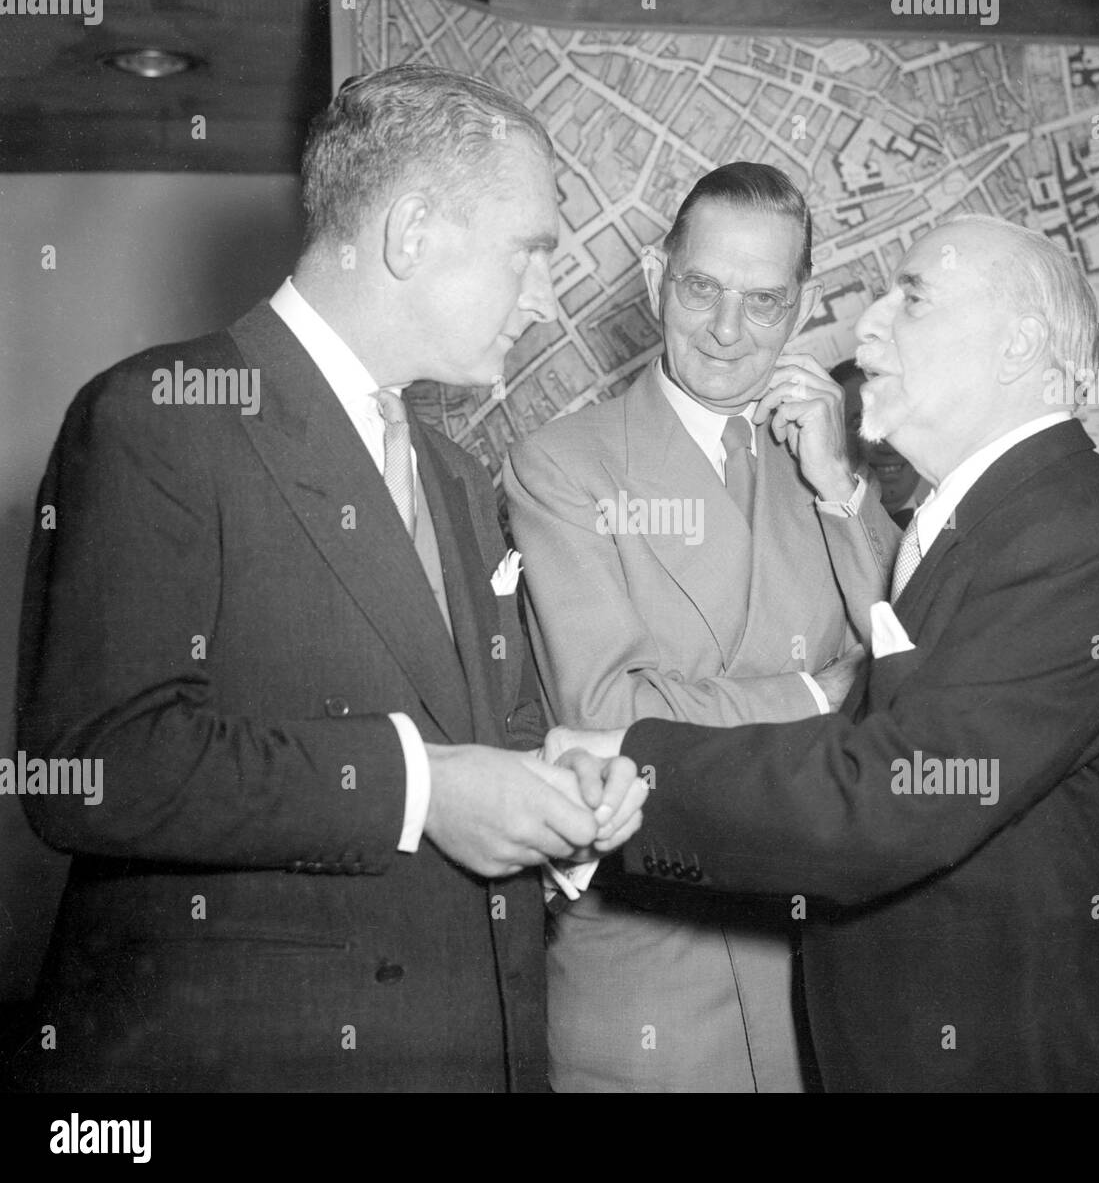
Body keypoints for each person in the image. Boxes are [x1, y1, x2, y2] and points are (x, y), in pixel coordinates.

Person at [8, 65, 639, 1093]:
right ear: (413, 230)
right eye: (532, 253)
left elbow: (492, 735)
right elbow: (94, 767)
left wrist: (559, 789)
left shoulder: (457, 474)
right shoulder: (158, 416)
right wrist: (420, 789)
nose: (547, 296)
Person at [547, 215, 1099, 1092]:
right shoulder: (1003, 520)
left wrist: (640, 768)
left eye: (914, 298)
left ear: (1018, 348)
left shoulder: (1068, 539)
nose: (866, 325)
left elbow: (899, 788)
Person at [503, 163, 898, 1091]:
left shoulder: (833, 469)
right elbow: (609, 712)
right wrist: (821, 693)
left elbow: (918, 678)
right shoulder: (564, 464)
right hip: (655, 983)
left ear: (802, 308)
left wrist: (841, 487)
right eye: (701, 288)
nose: (727, 330)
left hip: (835, 970)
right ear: (653, 278)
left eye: (763, 301)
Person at [831, 359, 928, 527]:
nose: (889, 447)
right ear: (830, 436)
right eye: (862, 425)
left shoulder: (954, 530)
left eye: (899, 423)